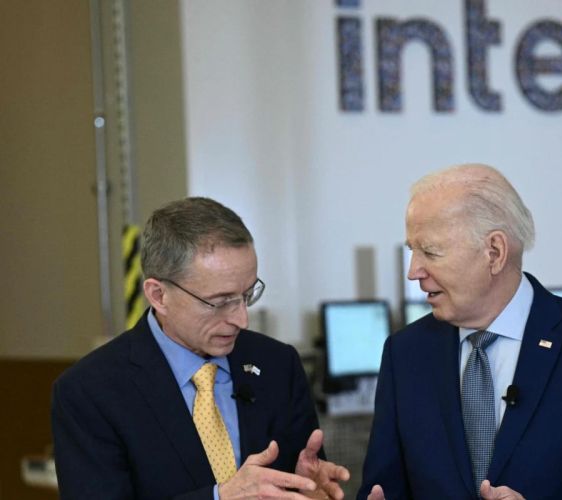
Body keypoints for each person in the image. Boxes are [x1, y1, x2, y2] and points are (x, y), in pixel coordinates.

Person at [358, 164, 562, 499]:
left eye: (430, 252)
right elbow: (382, 488)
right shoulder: (405, 353)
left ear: (494, 252)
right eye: (412, 251)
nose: (413, 271)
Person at [52, 197, 349, 500]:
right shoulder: (90, 392)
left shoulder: (277, 364)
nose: (241, 319)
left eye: (247, 295)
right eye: (219, 302)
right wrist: (220, 497)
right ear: (159, 295)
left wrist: (305, 488)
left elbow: (303, 479)